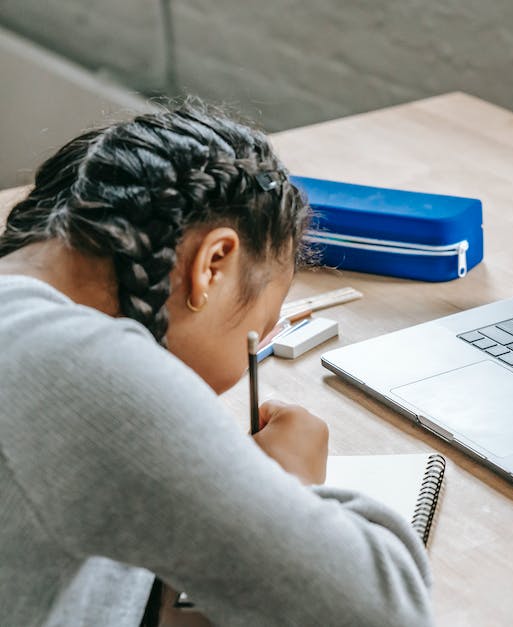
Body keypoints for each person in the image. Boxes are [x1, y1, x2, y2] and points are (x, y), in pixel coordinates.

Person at [0, 105, 433, 626]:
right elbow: (383, 613)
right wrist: (289, 482)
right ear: (212, 265)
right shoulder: (82, 370)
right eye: (259, 333)